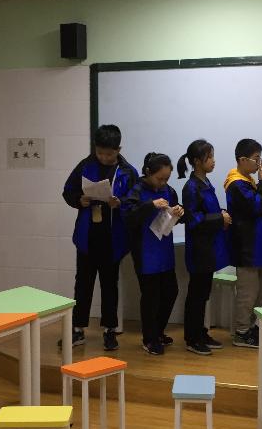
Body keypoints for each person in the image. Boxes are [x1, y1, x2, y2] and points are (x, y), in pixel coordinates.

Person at [62, 124, 138, 351]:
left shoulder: (128, 171)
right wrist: (79, 200)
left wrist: (121, 203)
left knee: (109, 285)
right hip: (87, 236)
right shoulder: (85, 165)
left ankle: (109, 330)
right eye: (100, 152)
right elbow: (68, 191)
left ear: (118, 149)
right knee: (82, 284)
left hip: (113, 239)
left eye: (109, 154)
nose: (104, 157)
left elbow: (136, 201)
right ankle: (78, 329)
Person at [121, 153, 184, 356]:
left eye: (167, 178)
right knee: (151, 297)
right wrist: (150, 205)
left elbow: (175, 213)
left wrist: (179, 211)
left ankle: (158, 332)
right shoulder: (137, 190)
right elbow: (128, 217)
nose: (163, 183)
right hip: (145, 252)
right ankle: (149, 339)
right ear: (148, 172)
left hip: (164, 250)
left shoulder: (169, 190)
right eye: (160, 178)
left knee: (171, 292)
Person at [178, 140, 231, 355]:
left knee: (203, 293)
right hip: (198, 249)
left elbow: (208, 211)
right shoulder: (191, 187)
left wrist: (221, 214)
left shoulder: (205, 182)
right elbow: (194, 220)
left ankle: (201, 332)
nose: (213, 161)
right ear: (197, 161)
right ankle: (192, 338)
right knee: (196, 295)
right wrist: (220, 218)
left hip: (209, 247)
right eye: (209, 157)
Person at [225, 138, 262, 348]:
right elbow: (256, 206)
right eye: (256, 159)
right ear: (242, 159)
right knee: (248, 291)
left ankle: (249, 325)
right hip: (246, 245)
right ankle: (242, 331)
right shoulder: (236, 184)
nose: (259, 163)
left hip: (257, 243)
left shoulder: (248, 182)